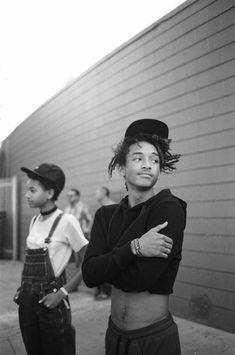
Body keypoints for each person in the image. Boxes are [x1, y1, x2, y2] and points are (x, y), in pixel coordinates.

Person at [82, 119, 187, 354]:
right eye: (138, 158)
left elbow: (140, 280)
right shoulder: (106, 215)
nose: (148, 165)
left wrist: (107, 263)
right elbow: (89, 274)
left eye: (155, 159)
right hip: (115, 336)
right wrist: (135, 247)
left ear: (160, 168)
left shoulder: (168, 208)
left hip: (153, 337)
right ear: (121, 167)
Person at [14, 163, 88, 355]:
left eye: (32, 190)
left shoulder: (67, 221)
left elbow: (89, 262)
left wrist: (62, 292)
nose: (27, 195)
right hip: (27, 300)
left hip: (51, 300)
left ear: (49, 193)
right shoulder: (34, 221)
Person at [94, 186, 115, 300]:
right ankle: (99, 289)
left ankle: (106, 291)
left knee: (107, 265)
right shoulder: (99, 207)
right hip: (99, 241)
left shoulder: (112, 206)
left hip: (109, 243)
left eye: (97, 192)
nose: (95, 195)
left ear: (104, 193)